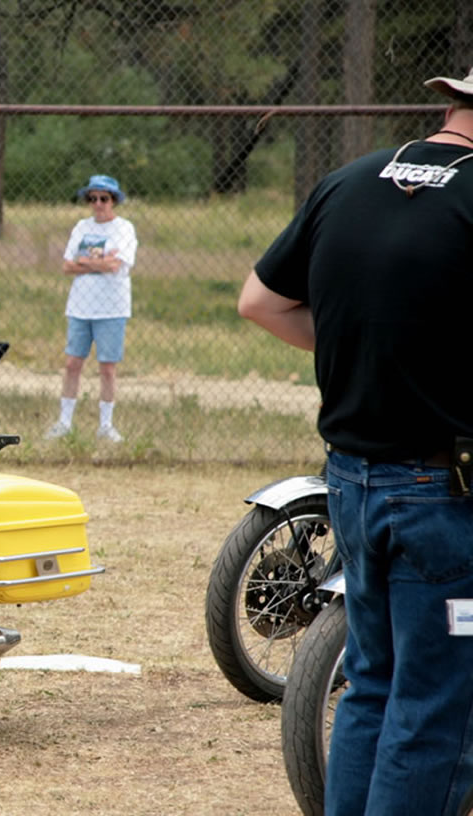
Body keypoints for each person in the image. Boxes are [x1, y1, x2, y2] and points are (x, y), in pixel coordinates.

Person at [237, 69, 473, 816]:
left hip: (351, 482)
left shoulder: (353, 178)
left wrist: (368, 351)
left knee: (372, 683)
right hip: (444, 497)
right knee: (436, 707)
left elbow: (260, 301)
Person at [43, 174, 137, 443]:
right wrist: (99, 261)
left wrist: (84, 261)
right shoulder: (82, 227)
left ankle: (106, 425)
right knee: (73, 363)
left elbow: (116, 265)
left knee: (107, 367)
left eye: (104, 199)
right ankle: (64, 421)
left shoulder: (124, 229)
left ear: (114, 201)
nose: (98, 204)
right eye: (93, 198)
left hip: (112, 307)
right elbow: (66, 266)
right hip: (80, 306)